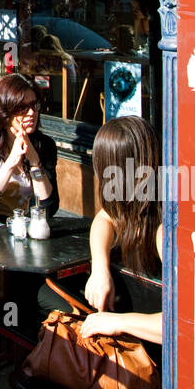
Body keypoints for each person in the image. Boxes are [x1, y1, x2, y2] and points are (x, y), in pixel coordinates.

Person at [80, 116, 163, 347]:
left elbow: (188, 320)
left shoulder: (163, 231)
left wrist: (117, 323)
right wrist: (99, 268)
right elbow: (104, 218)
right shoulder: (139, 206)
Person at [0, 73, 59, 220]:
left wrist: (35, 163)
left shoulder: (45, 145)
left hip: (31, 229)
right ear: (4, 111)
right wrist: (11, 163)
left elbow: (49, 208)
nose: (31, 113)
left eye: (34, 105)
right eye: (22, 107)